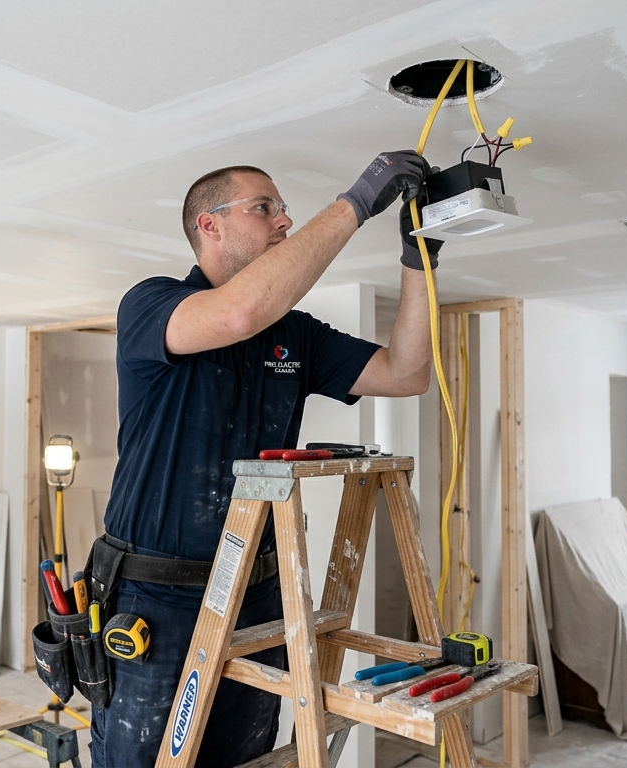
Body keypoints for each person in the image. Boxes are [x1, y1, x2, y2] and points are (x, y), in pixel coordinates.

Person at [88, 151, 444, 767]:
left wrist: (420, 260)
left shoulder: (295, 335)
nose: (284, 221)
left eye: (283, 209)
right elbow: (237, 311)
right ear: (210, 225)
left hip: (256, 592)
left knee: (245, 755)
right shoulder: (150, 304)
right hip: (155, 598)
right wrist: (356, 203)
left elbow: (408, 372)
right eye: (265, 208)